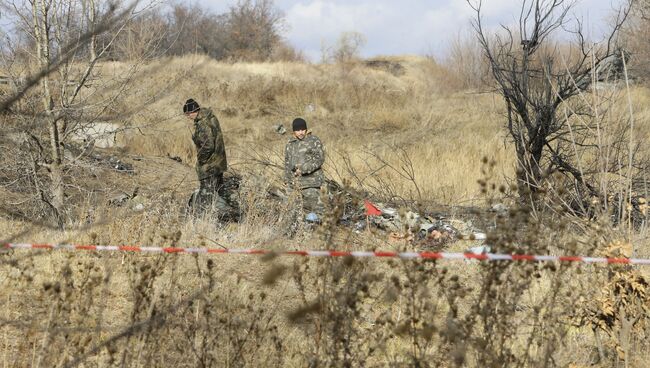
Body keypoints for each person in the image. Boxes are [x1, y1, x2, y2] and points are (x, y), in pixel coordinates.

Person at [183, 98, 233, 217]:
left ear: (193, 111)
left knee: (207, 197)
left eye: (188, 114)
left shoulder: (203, 124)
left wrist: (201, 161)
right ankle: (227, 217)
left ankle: (208, 220)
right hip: (218, 163)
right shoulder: (210, 117)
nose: (188, 117)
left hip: (210, 167)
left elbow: (208, 146)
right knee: (218, 193)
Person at [284, 117, 325, 218]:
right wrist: (286, 179)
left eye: (303, 129)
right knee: (293, 211)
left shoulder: (314, 141)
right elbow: (287, 162)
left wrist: (303, 169)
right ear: (294, 131)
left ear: (306, 129)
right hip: (294, 184)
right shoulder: (290, 143)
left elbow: (319, 159)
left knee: (317, 212)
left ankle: (320, 230)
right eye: (298, 130)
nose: (301, 132)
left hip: (311, 183)